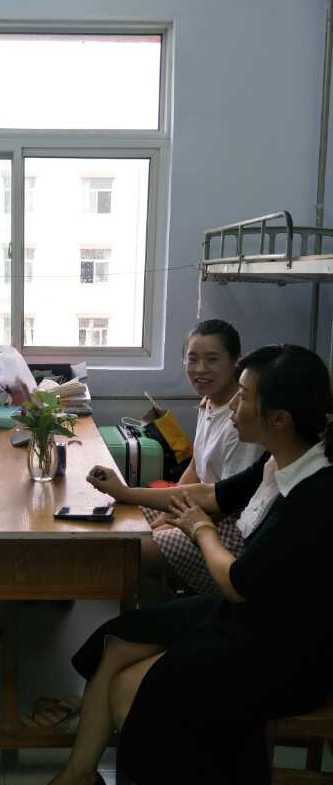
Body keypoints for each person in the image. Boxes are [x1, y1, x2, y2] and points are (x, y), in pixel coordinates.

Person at [49, 344, 333, 785]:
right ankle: (78, 774)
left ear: (280, 418)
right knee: (115, 642)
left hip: (286, 651)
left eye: (243, 396)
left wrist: (201, 530)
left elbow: (236, 582)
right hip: (250, 618)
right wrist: (125, 493)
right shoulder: (280, 460)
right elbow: (210, 495)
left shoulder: (315, 494)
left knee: (133, 690)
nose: (233, 405)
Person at [141, 319, 263, 595]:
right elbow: (195, 468)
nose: (200, 369)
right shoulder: (209, 402)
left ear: (235, 361)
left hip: (226, 526)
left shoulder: (239, 420)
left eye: (212, 360)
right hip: (196, 506)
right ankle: (157, 602)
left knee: (133, 549)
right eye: (192, 358)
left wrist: (168, 522)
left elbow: (228, 502)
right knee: (124, 517)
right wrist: (168, 512)